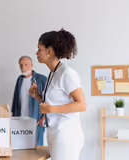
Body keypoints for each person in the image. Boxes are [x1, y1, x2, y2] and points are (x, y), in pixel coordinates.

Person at [29, 28, 86, 160]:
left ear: (49, 51)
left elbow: (82, 105)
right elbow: (55, 102)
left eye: (39, 49)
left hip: (67, 135)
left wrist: (52, 109)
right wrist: (37, 96)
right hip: (54, 133)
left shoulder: (67, 73)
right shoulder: (53, 73)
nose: (36, 53)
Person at [11, 56, 47, 146]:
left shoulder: (41, 79)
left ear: (32, 65)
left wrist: (44, 117)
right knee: (21, 147)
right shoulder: (19, 79)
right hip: (21, 120)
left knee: (37, 148)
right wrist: (12, 116)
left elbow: (48, 100)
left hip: (36, 120)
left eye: (26, 64)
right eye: (21, 65)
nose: (23, 67)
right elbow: (15, 100)